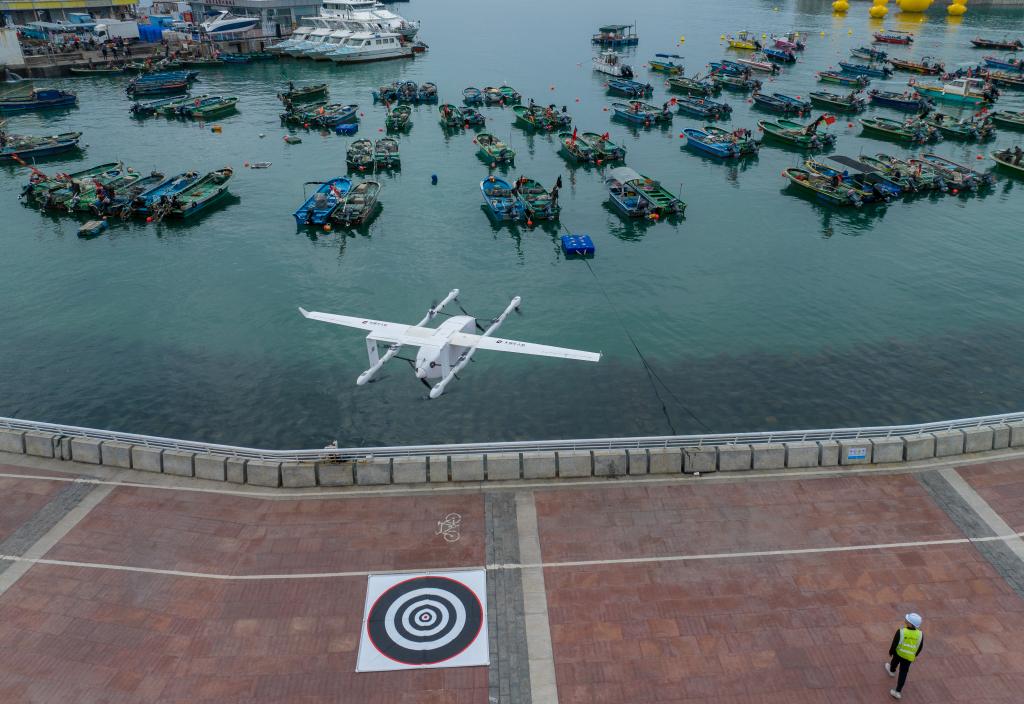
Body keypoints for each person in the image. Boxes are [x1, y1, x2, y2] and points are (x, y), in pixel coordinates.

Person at [885, 613, 923, 700]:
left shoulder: (901, 631)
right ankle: (898, 691)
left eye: (907, 620)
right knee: (903, 673)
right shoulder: (920, 634)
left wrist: (891, 652)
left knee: (894, 662)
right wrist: (914, 655)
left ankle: (891, 670)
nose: (905, 620)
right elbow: (920, 647)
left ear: (910, 624)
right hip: (909, 657)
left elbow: (895, 643)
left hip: (899, 653)